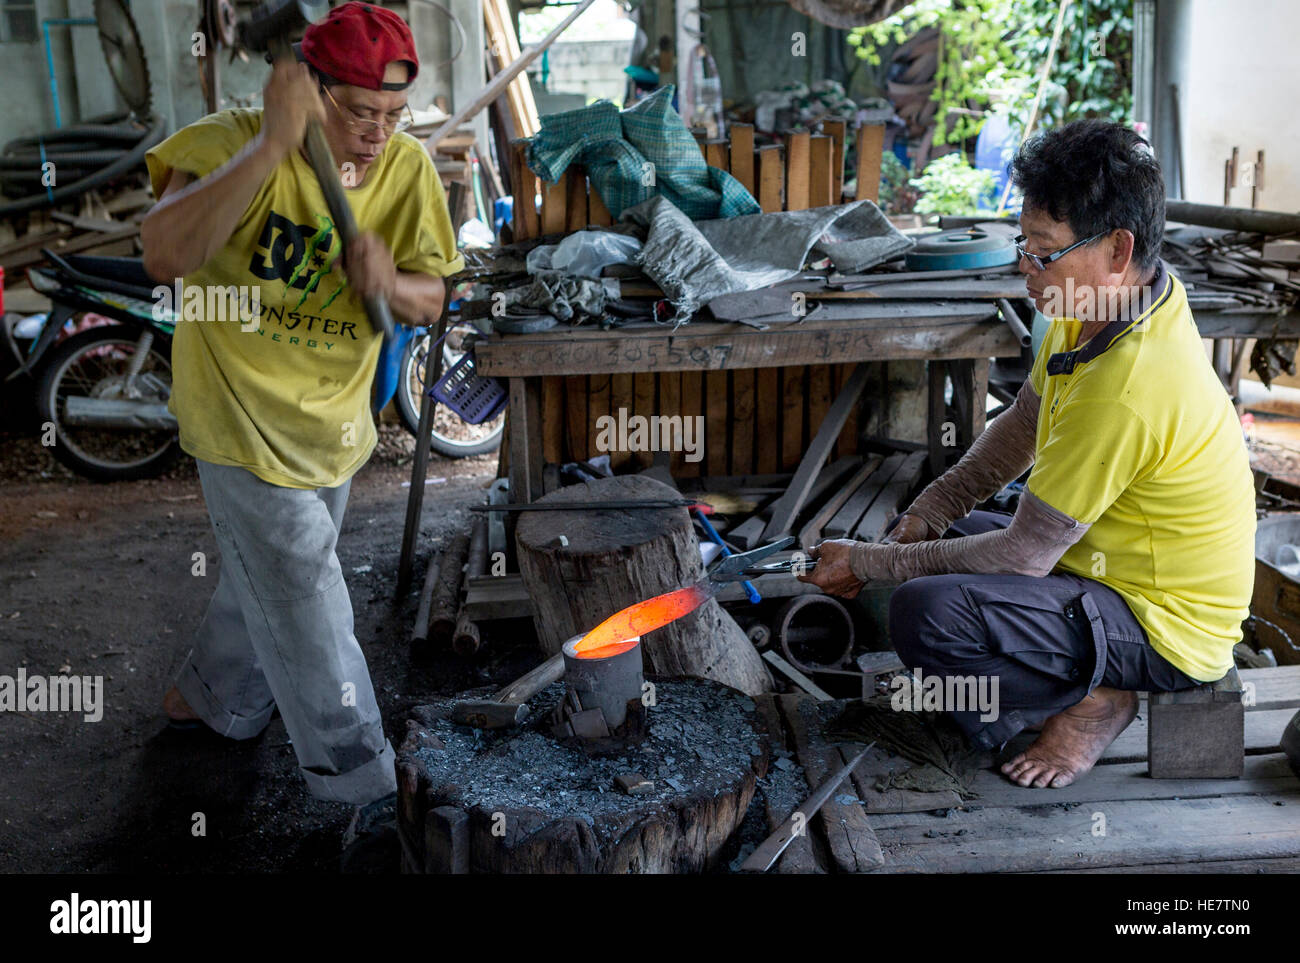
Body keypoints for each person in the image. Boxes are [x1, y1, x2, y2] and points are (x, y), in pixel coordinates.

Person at [801, 120, 1255, 789]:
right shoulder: (1104, 302)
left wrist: (870, 562)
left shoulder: (1130, 384)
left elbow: (1022, 556)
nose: (1025, 267)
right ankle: (1056, 680)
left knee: (922, 612)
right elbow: (1024, 421)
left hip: (1170, 628)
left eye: (1043, 253)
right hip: (1106, 565)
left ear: (1117, 248)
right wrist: (934, 506)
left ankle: (1091, 703)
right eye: (1024, 245)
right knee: (948, 541)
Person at [141, 1, 463, 805]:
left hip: (334, 421)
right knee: (307, 589)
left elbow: (436, 295)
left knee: (271, 577)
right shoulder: (227, 142)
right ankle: (367, 792)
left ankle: (208, 701)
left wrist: (391, 282)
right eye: (359, 110)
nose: (379, 131)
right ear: (308, 89)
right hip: (238, 414)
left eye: (394, 113)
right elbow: (162, 254)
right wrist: (270, 147)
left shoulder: (408, 170)